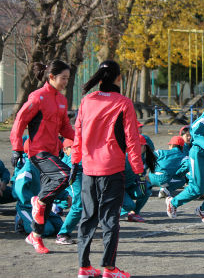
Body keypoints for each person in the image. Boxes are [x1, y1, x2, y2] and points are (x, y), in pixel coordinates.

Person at [72, 60, 144, 278]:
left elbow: (78, 134)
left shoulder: (86, 100)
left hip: (88, 169)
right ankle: (109, 269)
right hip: (112, 169)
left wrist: (75, 162)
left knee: (87, 218)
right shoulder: (123, 102)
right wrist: (139, 170)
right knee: (110, 220)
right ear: (118, 78)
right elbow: (132, 140)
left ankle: (84, 268)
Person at [10, 60, 74, 254]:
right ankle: (38, 202)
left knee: (47, 203)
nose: (66, 82)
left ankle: (35, 237)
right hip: (38, 152)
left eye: (68, 79)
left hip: (54, 152)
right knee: (65, 174)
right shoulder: (37, 97)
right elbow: (20, 121)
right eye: (63, 78)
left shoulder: (62, 101)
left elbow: (65, 128)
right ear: (51, 77)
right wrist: (17, 148)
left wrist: (83, 140)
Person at [165, 90, 204, 225]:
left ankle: (202, 209)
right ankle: (173, 202)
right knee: (197, 189)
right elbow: (193, 130)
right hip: (198, 155)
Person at [121, 135, 155, 223]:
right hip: (117, 188)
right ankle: (109, 211)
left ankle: (134, 214)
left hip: (129, 186)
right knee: (129, 205)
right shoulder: (124, 158)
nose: (143, 148)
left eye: (142, 146)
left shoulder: (142, 158)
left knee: (146, 188)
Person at [55, 139, 82, 245]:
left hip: (86, 169)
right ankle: (62, 234)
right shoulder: (67, 160)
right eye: (71, 147)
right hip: (76, 172)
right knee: (79, 204)